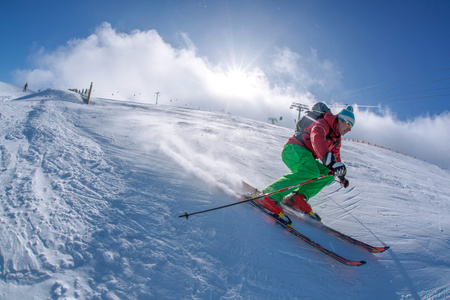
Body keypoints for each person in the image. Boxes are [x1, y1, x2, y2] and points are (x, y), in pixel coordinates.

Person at [257, 105, 355, 221]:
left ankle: (297, 199)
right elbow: (317, 137)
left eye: (351, 127)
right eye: (348, 124)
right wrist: (326, 157)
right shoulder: (322, 124)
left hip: (306, 156)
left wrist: (341, 175)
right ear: (340, 119)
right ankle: (269, 196)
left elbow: (336, 157)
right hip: (293, 149)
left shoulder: (336, 138)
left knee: (328, 173)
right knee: (311, 170)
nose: (349, 129)